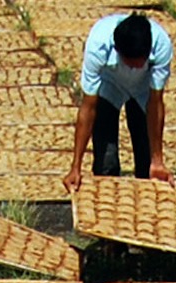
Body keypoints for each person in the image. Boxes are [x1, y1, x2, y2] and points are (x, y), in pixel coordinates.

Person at [64, 10, 168, 189]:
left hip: (143, 90)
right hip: (109, 85)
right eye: (130, 63)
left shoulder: (161, 45)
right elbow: (88, 108)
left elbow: (155, 102)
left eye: (140, 63)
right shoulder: (98, 45)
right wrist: (75, 167)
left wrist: (157, 159)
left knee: (146, 161)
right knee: (106, 161)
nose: (135, 68)